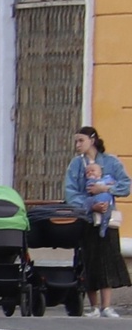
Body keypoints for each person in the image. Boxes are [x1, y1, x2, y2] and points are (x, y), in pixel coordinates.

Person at [64, 126, 129, 317]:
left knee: (107, 260)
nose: (77, 145)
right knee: (89, 260)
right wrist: (88, 205)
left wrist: (104, 190)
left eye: (81, 140)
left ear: (92, 140)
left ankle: (107, 306)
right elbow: (70, 193)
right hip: (86, 218)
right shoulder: (76, 165)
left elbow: (125, 185)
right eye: (76, 141)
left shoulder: (110, 162)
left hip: (106, 219)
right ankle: (92, 307)